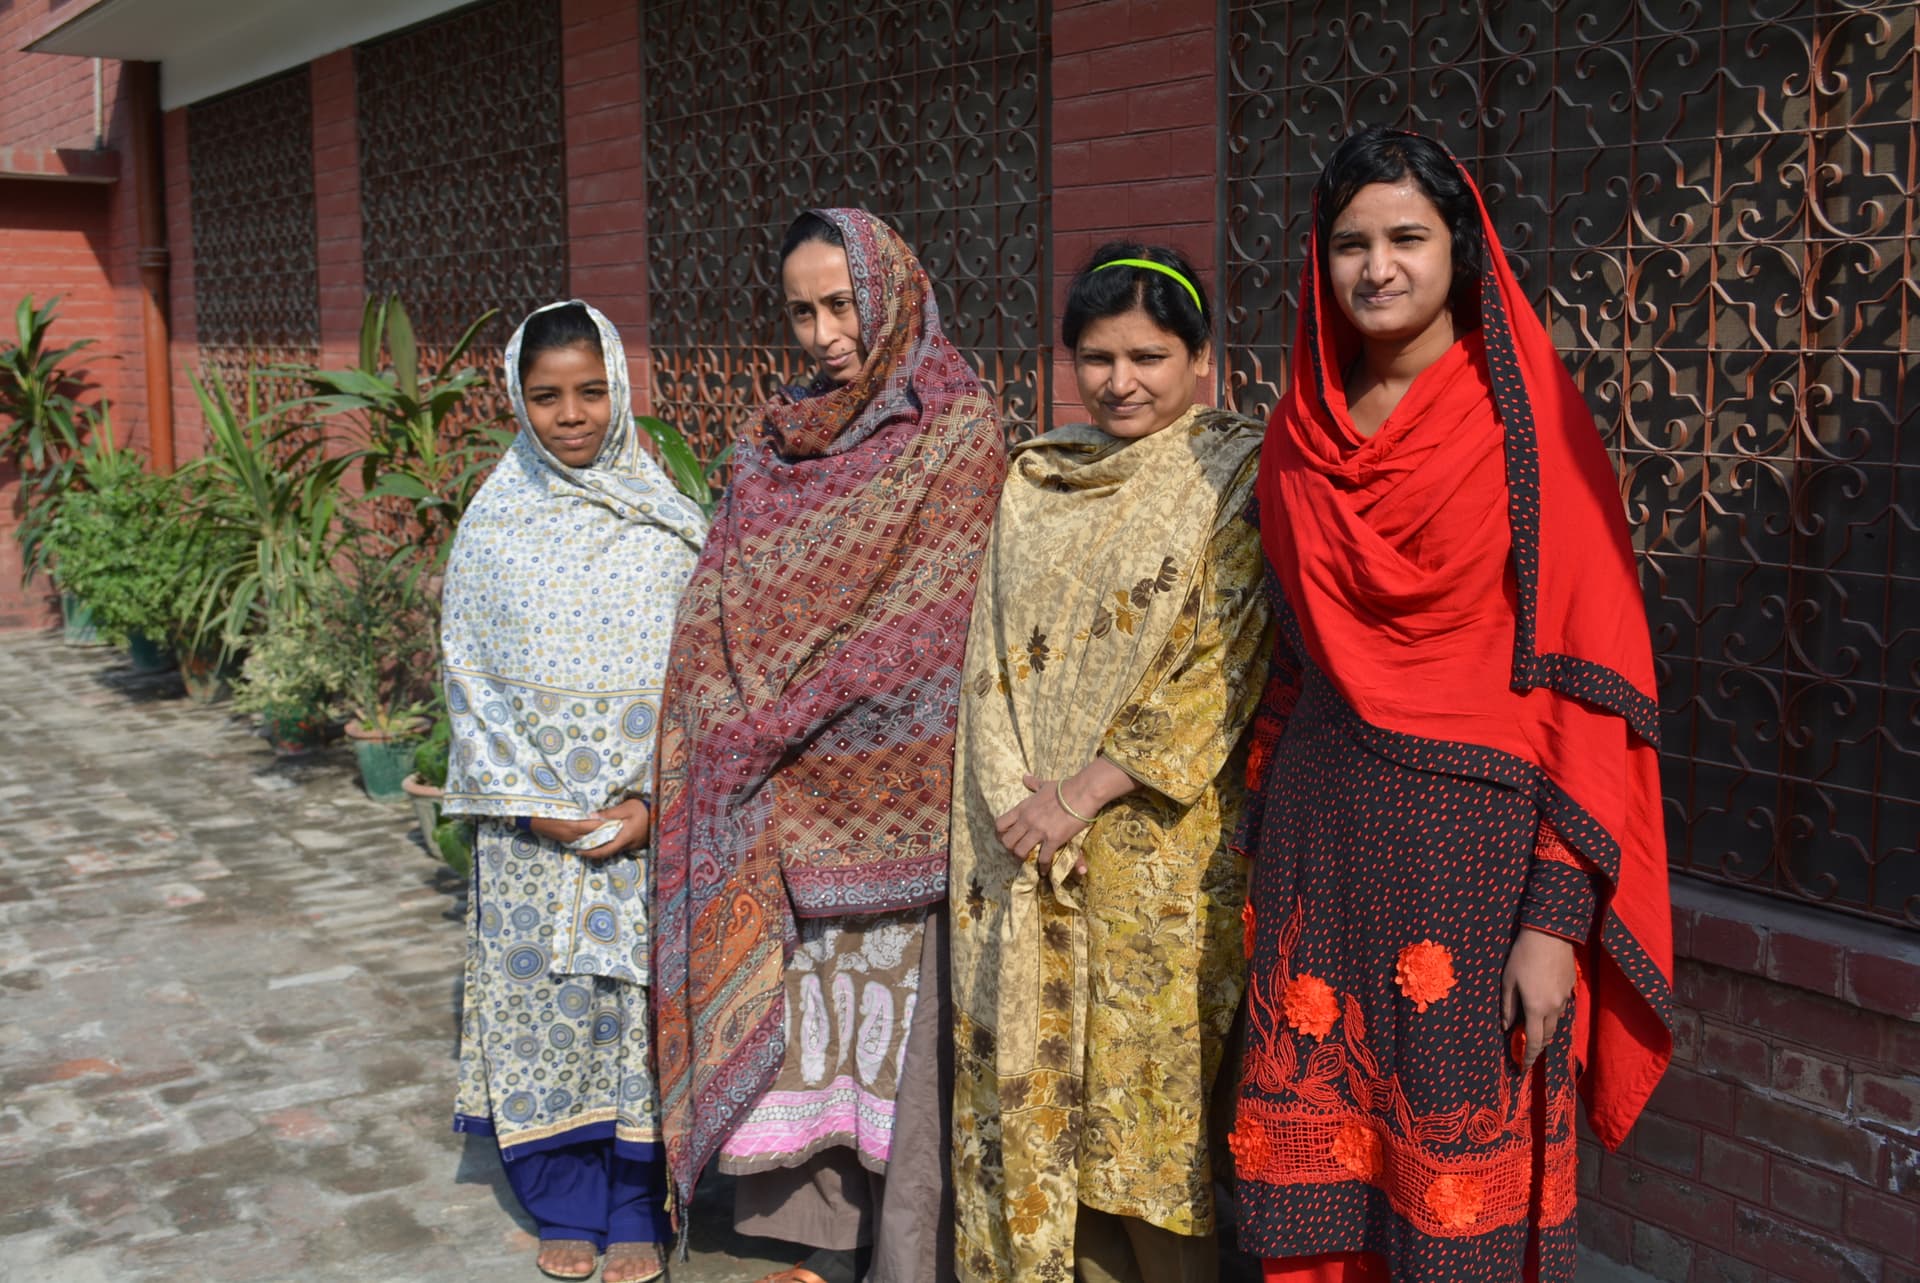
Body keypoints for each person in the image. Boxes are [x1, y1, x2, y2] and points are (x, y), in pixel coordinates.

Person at [1228, 126, 1673, 1283]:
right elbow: (1288, 667)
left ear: (1461, 252)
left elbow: (1588, 690)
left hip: (1478, 874)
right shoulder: (1297, 438)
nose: (1377, 267)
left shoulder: (1528, 428)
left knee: (1458, 1200)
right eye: (1350, 243)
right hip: (1321, 852)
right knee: (1311, 1183)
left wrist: (1556, 918)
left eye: (1407, 238)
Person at [649, 208, 1007, 1283]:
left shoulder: (958, 426)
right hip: (784, 800)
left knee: (900, 1036)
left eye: (839, 304)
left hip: (905, 790)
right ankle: (808, 1244)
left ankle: (904, 1250)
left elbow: (940, 622)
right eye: (802, 310)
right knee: (812, 1023)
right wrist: (739, 724)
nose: (821, 333)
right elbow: (720, 598)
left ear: (889, 291)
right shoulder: (770, 442)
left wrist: (796, 703)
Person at [949, 243, 1272, 1283]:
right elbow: (989, 657)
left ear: (1200, 360)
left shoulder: (1234, 476)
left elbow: (1221, 659)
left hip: (1161, 856)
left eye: (1150, 355)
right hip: (1026, 844)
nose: (1120, 381)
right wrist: (1021, 807)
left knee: (1150, 1119)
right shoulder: (1037, 478)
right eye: (1096, 357)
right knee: (1050, 1112)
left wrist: (1081, 795)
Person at [441, 301, 707, 1283]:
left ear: (622, 391)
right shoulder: (492, 527)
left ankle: (639, 1201)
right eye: (546, 395)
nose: (571, 414)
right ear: (518, 399)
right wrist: (526, 801)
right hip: (530, 833)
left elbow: (705, 679)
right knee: (545, 1010)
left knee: (635, 1017)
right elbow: (467, 673)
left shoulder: (669, 523)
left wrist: (649, 800)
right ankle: (563, 1195)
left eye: (591, 391)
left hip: (646, 822)